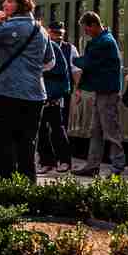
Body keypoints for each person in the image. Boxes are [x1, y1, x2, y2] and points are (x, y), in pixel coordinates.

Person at [0, 0, 52, 183]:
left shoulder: (7, 27)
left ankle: (7, 185)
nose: (4, 5)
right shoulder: (41, 30)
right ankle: (27, 185)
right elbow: (50, 62)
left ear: (20, 5)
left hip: (10, 91)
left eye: (9, 1)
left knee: (4, 142)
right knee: (28, 142)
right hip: (36, 94)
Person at [72, 11, 124, 177]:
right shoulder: (103, 40)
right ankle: (92, 165)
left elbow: (88, 62)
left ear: (94, 25)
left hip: (107, 92)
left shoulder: (104, 43)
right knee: (96, 130)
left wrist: (71, 58)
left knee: (110, 130)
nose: (86, 33)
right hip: (102, 91)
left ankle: (117, 166)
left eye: (86, 29)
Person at [37, 21, 76, 174]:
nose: (57, 36)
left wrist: (74, 90)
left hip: (54, 96)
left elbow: (69, 72)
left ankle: (64, 160)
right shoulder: (42, 46)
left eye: (60, 33)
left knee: (57, 128)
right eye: (54, 33)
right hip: (41, 94)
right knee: (41, 130)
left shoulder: (65, 49)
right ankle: (47, 161)